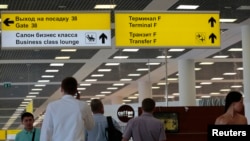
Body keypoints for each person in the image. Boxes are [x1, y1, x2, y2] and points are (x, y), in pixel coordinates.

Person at [40, 77, 95, 141]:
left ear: (61, 89)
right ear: (75, 90)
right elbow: (90, 126)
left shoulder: (52, 106)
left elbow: (46, 131)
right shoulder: (83, 105)